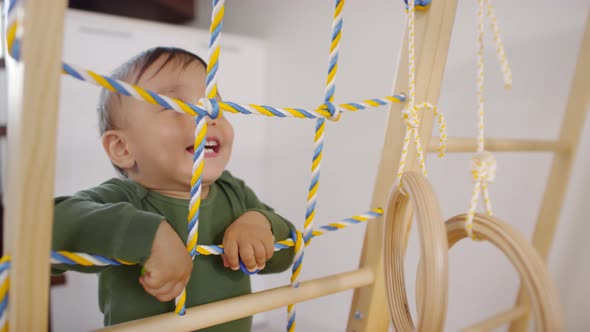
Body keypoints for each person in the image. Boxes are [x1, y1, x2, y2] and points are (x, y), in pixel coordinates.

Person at [51, 47, 296, 331]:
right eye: (176, 106)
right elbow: (46, 230)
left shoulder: (234, 191)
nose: (208, 115)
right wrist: (147, 235)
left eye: (215, 104)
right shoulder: (121, 200)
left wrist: (261, 224)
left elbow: (287, 253)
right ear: (122, 148)